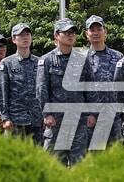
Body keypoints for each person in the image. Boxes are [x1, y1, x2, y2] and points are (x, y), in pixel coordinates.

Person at [37, 18, 85, 165]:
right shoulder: (46, 60)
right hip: (56, 122)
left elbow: (88, 88)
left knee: (80, 166)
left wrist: (90, 114)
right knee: (54, 165)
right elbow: (41, 88)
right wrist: (47, 114)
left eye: (73, 32)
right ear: (57, 35)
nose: (70, 35)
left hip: (78, 121)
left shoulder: (82, 59)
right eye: (66, 32)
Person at [79, 15, 122, 154]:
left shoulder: (118, 57)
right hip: (91, 119)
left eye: (99, 29)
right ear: (87, 34)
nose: (96, 32)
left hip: (113, 118)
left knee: (115, 159)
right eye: (92, 30)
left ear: (105, 32)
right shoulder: (79, 58)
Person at [0, 22, 40, 139]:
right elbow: (2, 93)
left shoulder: (40, 62)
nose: (25, 37)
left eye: (27, 34)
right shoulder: (7, 63)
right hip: (15, 121)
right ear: (14, 39)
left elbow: (44, 90)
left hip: (37, 120)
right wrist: (5, 118)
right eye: (21, 35)